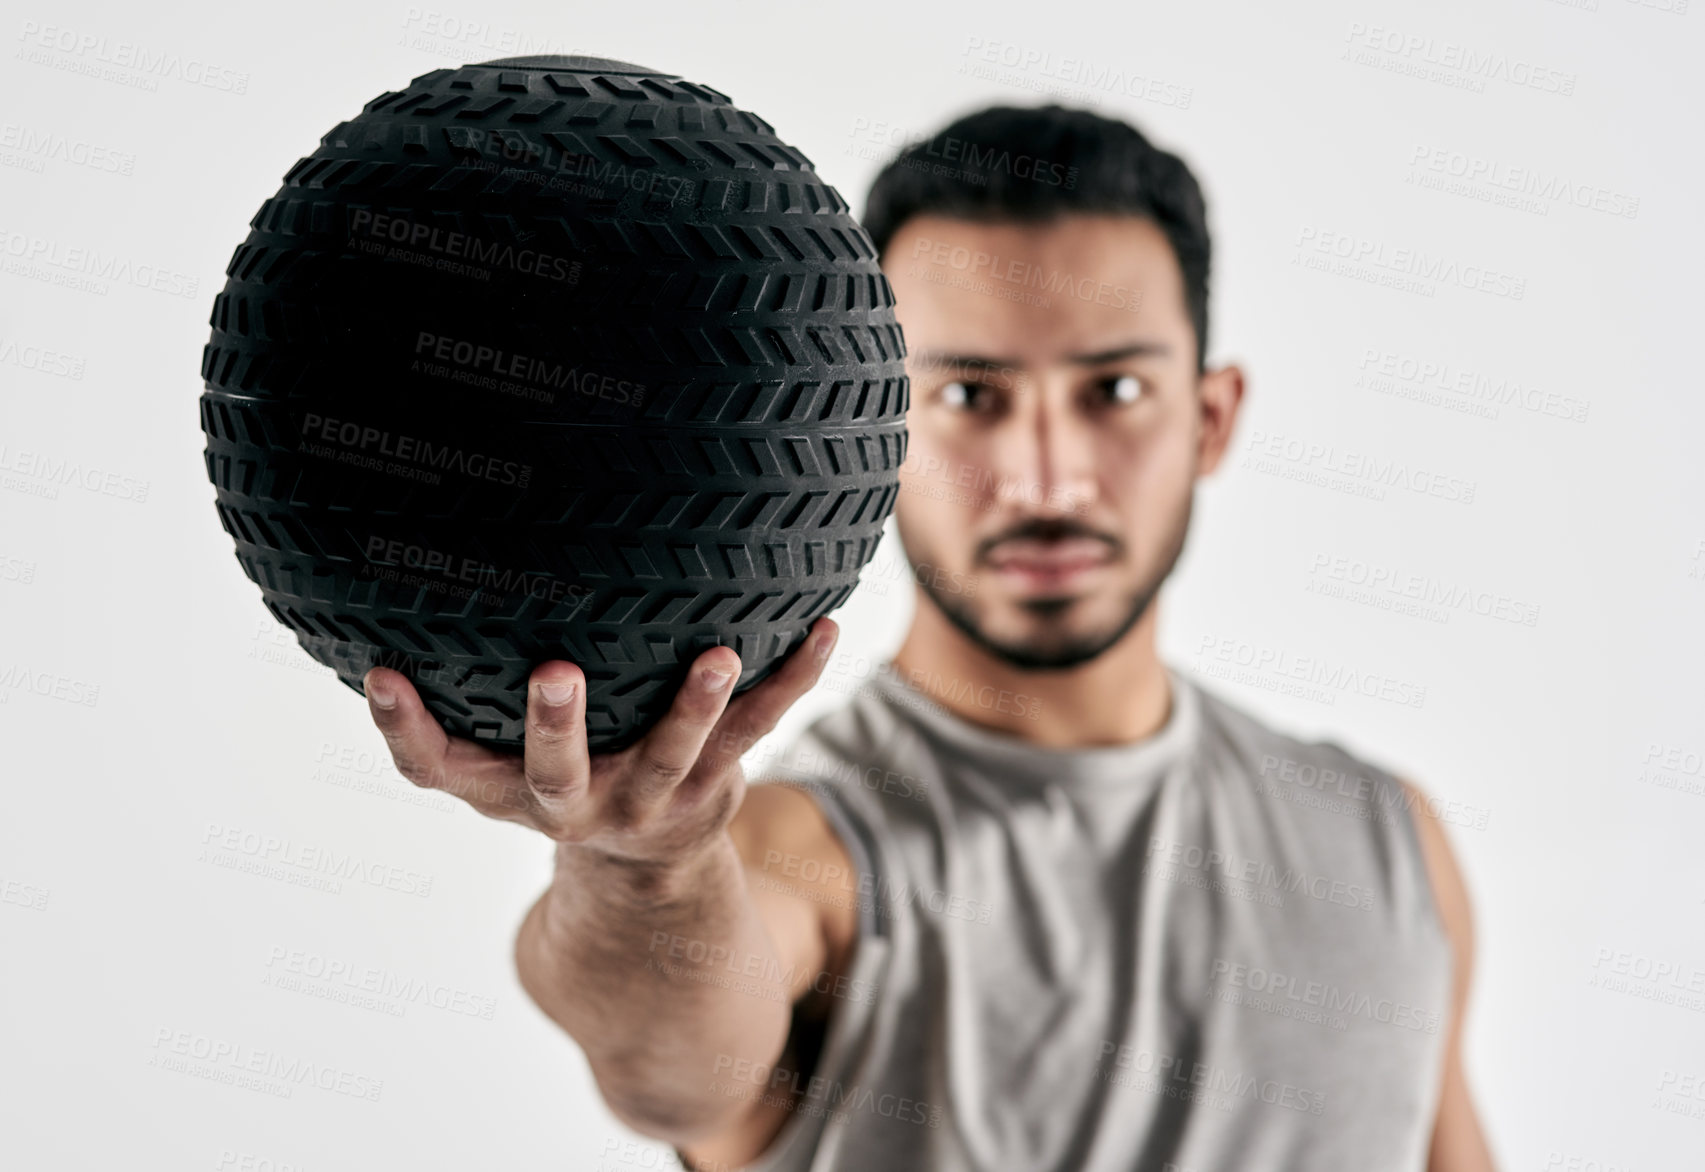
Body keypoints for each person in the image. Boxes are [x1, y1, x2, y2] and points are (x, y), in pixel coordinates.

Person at [362, 103, 1496, 1171]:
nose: (1044, 476)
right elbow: (668, 1072)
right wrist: (643, 861)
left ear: (1208, 418)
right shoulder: (800, 847)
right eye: (967, 396)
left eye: (1111, 389)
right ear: (874, 436)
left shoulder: (1387, 838)